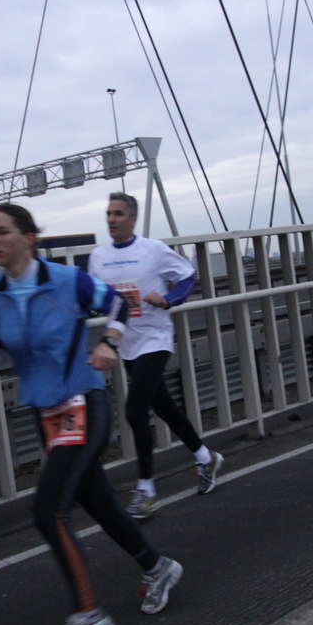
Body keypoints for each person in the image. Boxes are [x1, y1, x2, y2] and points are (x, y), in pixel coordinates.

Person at [0, 203, 184, 625]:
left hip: (83, 401)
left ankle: (88, 616)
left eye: (2, 232)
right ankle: (158, 567)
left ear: (28, 237)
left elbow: (119, 304)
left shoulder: (67, 280)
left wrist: (108, 342)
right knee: (98, 502)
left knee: (48, 510)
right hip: (44, 412)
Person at [88, 192, 224, 520]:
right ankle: (206, 458)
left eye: (119, 214)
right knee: (164, 406)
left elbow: (187, 277)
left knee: (135, 410)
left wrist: (169, 300)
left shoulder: (153, 250)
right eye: (109, 213)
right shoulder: (98, 256)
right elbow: (95, 297)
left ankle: (146, 489)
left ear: (133, 219)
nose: (112, 219)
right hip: (125, 343)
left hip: (155, 338)